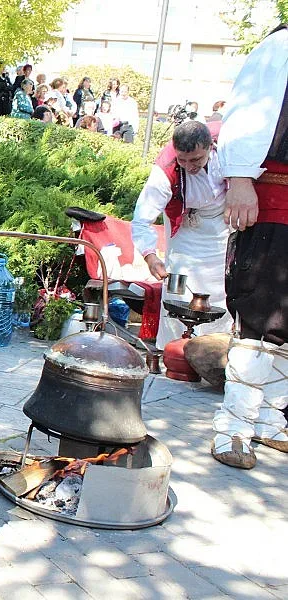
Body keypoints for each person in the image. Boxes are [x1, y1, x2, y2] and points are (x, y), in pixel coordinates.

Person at [210, 25, 288, 470]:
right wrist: (240, 180)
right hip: (274, 204)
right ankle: (234, 429)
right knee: (260, 318)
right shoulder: (281, 45)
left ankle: (270, 423)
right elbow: (249, 114)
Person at [130, 121, 233, 347]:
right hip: (185, 228)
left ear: (210, 147)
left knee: (221, 289)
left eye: (195, 159)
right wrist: (150, 256)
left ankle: (217, 350)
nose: (188, 166)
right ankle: (173, 351)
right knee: (178, 290)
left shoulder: (228, 147)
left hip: (223, 227)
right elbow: (141, 220)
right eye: (182, 160)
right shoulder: (165, 170)